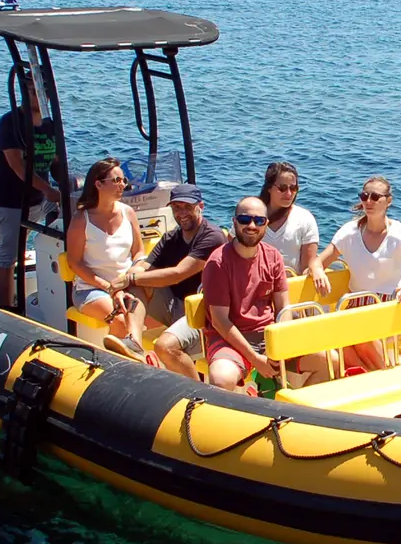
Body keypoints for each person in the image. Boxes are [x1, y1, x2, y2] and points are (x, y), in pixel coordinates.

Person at [315, 175, 401, 370]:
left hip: (390, 306)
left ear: (388, 201)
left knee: (360, 334)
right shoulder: (349, 232)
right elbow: (319, 262)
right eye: (364, 196)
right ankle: (376, 376)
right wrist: (318, 272)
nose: (368, 201)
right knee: (346, 343)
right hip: (356, 305)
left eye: (375, 197)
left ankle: (383, 376)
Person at [127, 184, 225, 378]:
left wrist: (130, 278)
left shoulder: (212, 237)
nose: (181, 213)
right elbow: (144, 268)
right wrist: (126, 279)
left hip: (204, 313)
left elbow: (180, 273)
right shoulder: (170, 238)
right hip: (175, 305)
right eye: (176, 208)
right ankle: (134, 343)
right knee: (133, 285)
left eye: (187, 207)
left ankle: (198, 394)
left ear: (201, 206)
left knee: (165, 347)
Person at [64, 157, 152, 360]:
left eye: (124, 180)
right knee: (121, 321)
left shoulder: (128, 212)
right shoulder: (81, 219)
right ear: (98, 184)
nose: (123, 185)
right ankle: (114, 370)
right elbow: (74, 262)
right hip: (91, 289)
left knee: (157, 318)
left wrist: (131, 276)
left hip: (127, 284)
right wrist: (110, 287)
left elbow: (138, 252)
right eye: (117, 180)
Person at [198, 196, 288, 389]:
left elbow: (283, 311)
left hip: (268, 336)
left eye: (259, 221)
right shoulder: (218, 262)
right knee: (222, 378)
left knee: (327, 359)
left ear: (266, 224)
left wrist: (277, 350)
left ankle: (291, 408)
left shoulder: (273, 256)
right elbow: (220, 321)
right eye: (245, 220)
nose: (252, 226)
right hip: (229, 339)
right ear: (235, 222)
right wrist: (255, 358)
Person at [0, 75, 60, 310]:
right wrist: (48, 190)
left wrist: (72, 187)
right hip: (9, 199)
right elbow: (18, 166)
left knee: (69, 218)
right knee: (9, 254)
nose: (36, 95)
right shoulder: (10, 123)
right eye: (30, 90)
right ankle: (7, 308)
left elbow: (56, 163)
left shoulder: (50, 125)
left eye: (39, 90)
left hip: (39, 200)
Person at [258, 161, 329, 297]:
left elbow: (306, 267)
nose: (289, 193)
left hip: (289, 290)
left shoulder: (304, 219)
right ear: (269, 187)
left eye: (294, 188)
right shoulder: (252, 216)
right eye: (283, 188)